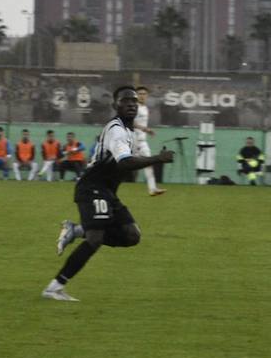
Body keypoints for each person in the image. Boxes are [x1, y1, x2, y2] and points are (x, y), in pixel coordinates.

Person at [44, 86, 174, 302]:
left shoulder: (129, 131)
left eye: (134, 101)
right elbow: (125, 163)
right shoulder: (116, 130)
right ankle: (54, 287)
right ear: (116, 106)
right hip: (91, 188)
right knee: (95, 239)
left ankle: (76, 230)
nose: (131, 104)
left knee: (132, 235)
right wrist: (157, 159)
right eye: (125, 101)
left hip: (106, 191)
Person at [133, 86, 164, 196]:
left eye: (144, 94)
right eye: (140, 93)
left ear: (147, 96)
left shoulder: (145, 108)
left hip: (142, 141)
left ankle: (152, 188)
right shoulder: (133, 107)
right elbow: (130, 122)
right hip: (131, 141)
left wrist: (146, 131)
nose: (142, 96)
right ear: (136, 95)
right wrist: (145, 129)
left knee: (149, 163)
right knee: (120, 165)